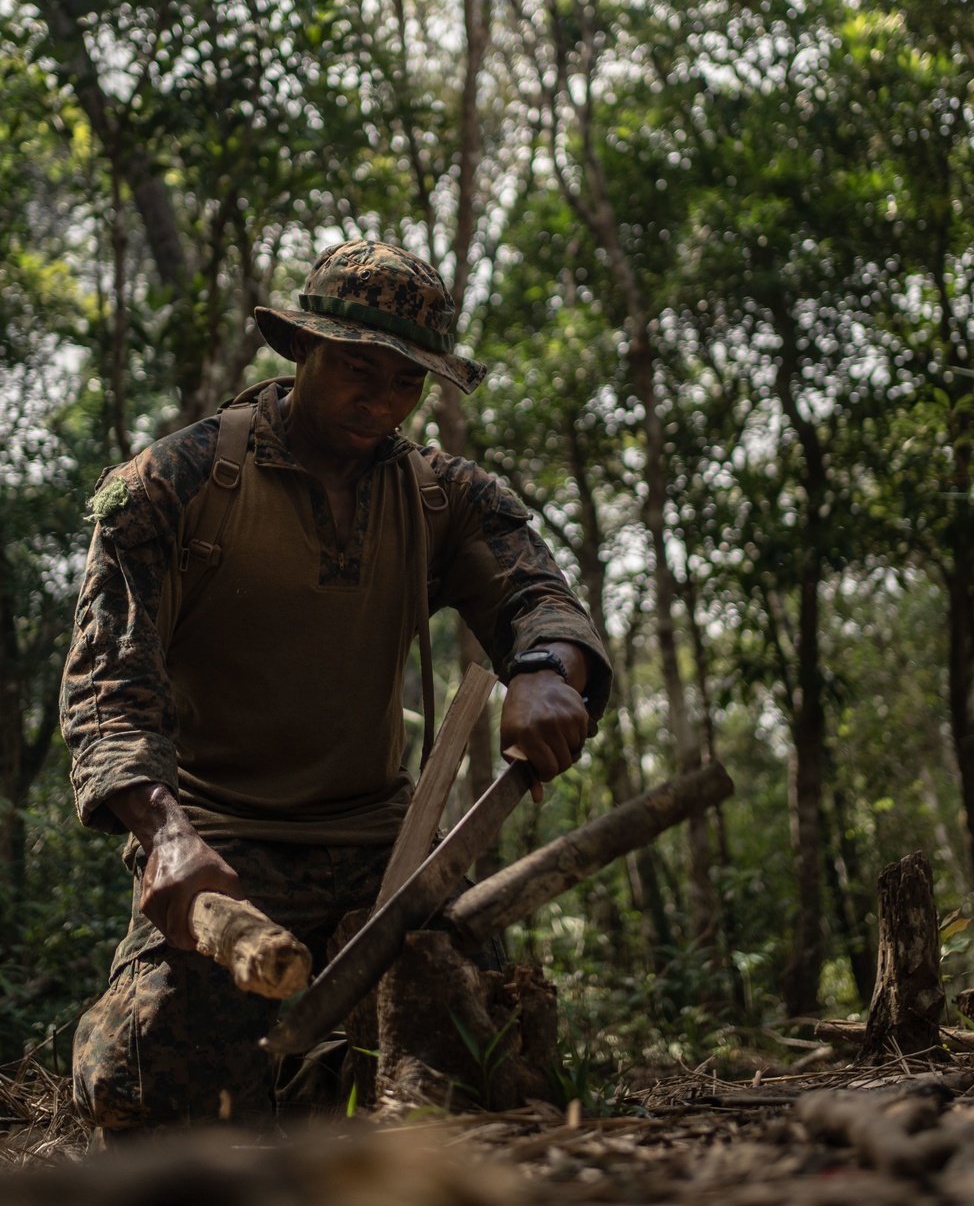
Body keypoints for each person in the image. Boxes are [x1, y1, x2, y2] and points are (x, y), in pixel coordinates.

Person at [61, 240, 611, 1133]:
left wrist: (548, 671)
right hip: (222, 841)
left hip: (387, 845)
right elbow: (106, 684)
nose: (381, 400)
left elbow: (538, 598)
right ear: (301, 349)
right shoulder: (175, 483)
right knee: (156, 1081)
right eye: (359, 370)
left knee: (481, 1057)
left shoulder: (444, 495)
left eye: (407, 383)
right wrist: (164, 834)